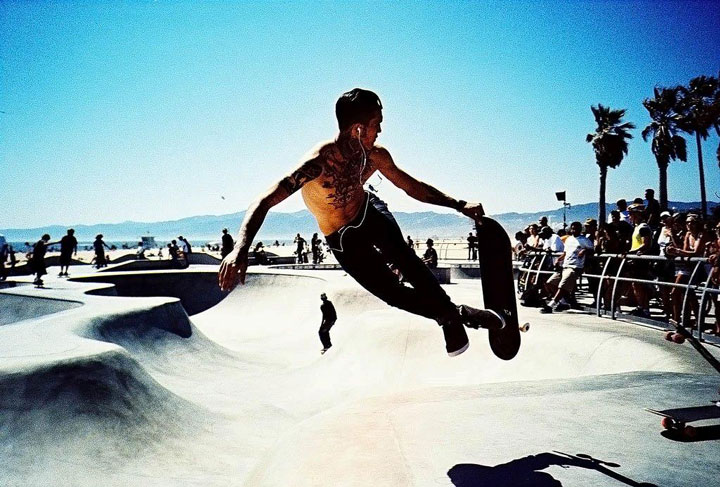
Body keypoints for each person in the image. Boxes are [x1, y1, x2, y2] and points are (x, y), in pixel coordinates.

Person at [218, 88, 502, 357]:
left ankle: (449, 318)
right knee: (390, 292)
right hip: (341, 238)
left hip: (368, 211)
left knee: (407, 261)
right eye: (376, 124)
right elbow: (264, 201)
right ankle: (455, 315)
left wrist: (459, 205)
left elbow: (411, 186)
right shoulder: (318, 163)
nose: (380, 131)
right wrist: (240, 248)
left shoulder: (374, 155)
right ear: (358, 129)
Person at [541, 221, 593, 313]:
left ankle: (551, 305)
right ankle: (563, 302)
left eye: (576, 229)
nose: (574, 231)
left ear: (580, 230)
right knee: (550, 283)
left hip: (575, 266)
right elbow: (565, 253)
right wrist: (559, 259)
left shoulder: (585, 240)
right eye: (572, 229)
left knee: (563, 285)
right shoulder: (569, 239)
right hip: (565, 265)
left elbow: (592, 250)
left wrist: (584, 250)